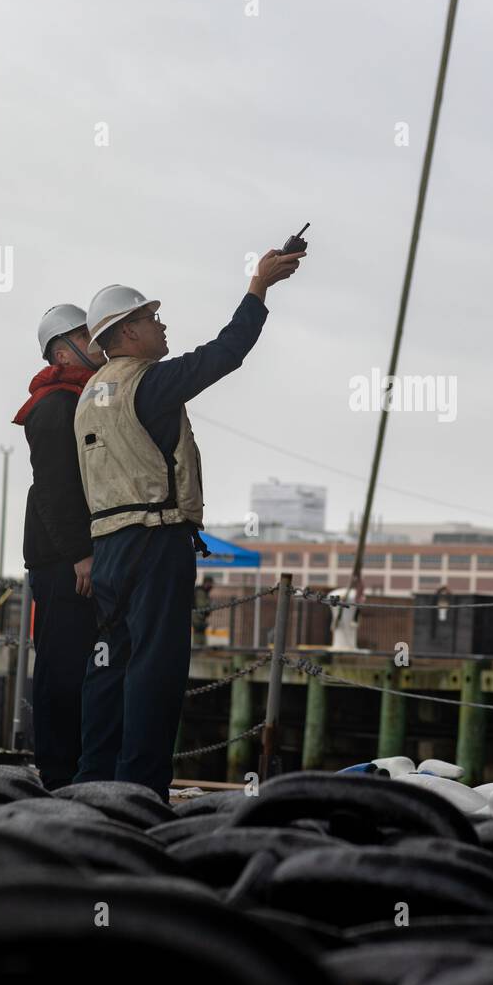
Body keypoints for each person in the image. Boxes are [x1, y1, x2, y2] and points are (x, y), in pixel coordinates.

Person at [72, 248, 304, 800]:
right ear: (126, 333)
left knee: (109, 663)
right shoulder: (147, 383)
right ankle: (140, 790)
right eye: (151, 318)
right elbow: (225, 353)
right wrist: (258, 288)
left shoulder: (89, 395)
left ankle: (90, 783)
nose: (161, 324)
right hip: (156, 541)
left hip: (108, 546)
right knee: (156, 665)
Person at [12, 305, 103, 788]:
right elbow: (54, 489)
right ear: (63, 349)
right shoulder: (55, 406)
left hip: (72, 555)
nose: (99, 340)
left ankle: (78, 770)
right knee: (61, 666)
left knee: (82, 664)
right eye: (88, 334)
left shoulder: (83, 399)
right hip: (62, 560)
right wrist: (79, 554)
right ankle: (58, 774)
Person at [191, 575, 214, 647]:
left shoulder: (202, 591)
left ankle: (200, 650)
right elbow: (201, 606)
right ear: (206, 583)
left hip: (199, 617)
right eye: (210, 583)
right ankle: (198, 651)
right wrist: (210, 605)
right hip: (197, 617)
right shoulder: (200, 592)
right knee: (198, 636)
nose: (211, 586)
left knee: (201, 635)